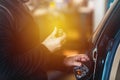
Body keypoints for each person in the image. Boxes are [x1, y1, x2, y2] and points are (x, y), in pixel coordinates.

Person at [0, 0, 89, 80]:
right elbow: (5, 70)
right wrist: (46, 48)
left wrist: (63, 61)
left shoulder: (20, 6)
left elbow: (33, 56)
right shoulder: (3, 12)